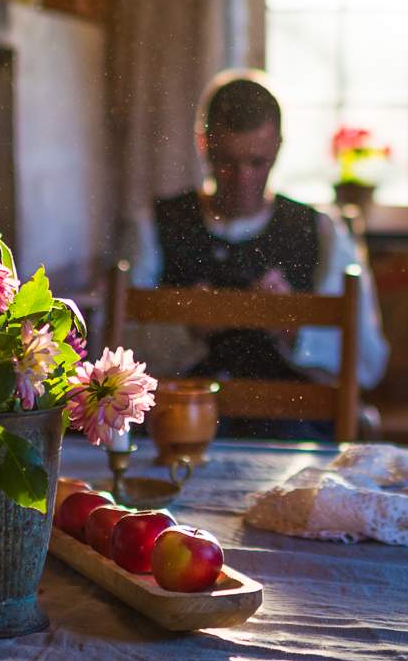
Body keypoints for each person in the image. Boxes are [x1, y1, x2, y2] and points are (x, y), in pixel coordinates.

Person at [129, 72, 389, 438]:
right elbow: (118, 351)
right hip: (177, 428)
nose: (242, 179)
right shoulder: (156, 224)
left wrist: (293, 329)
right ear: (203, 146)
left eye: (257, 162)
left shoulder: (320, 231)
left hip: (291, 433)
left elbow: (368, 361)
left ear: (278, 148)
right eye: (225, 162)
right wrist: (186, 327)